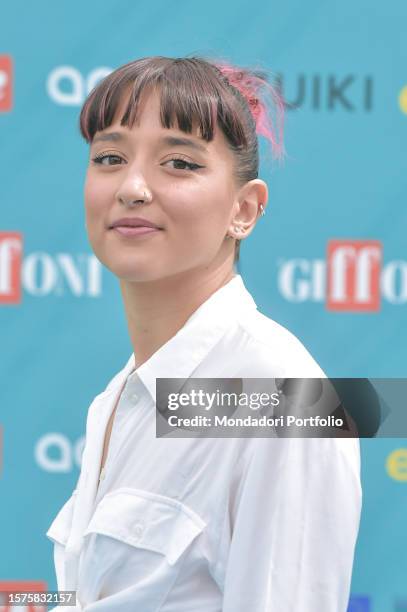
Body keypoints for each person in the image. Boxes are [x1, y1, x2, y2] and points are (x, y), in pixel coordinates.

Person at [46, 55, 362, 611]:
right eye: (110, 157)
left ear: (245, 209)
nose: (134, 188)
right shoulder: (119, 398)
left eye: (179, 163)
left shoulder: (280, 396)